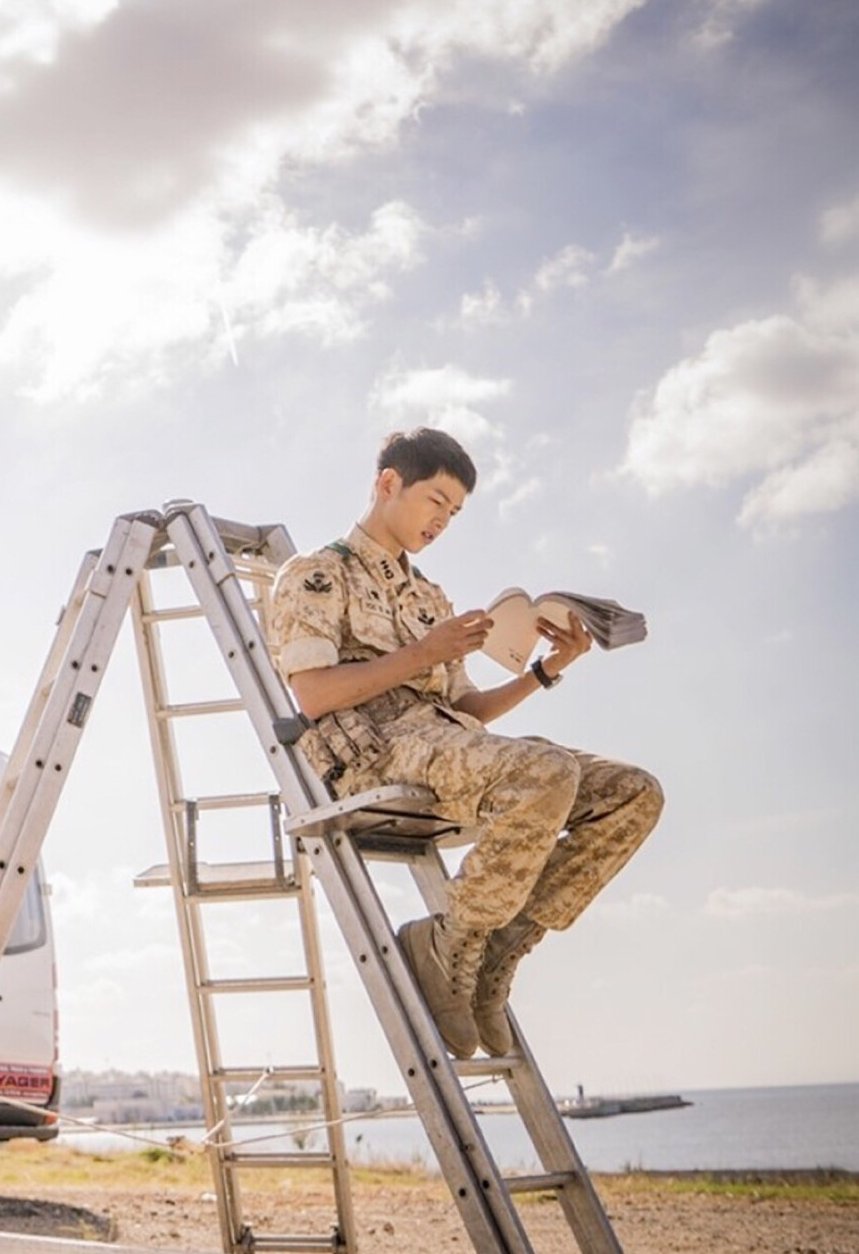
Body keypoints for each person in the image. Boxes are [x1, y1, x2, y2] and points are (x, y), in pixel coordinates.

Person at [269, 427, 663, 1060]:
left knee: (633, 793)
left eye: (455, 513)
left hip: (443, 741)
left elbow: (466, 710)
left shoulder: (429, 597)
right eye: (436, 501)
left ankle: (496, 949)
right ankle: (447, 945)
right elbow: (312, 694)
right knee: (545, 773)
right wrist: (423, 653)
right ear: (389, 483)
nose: (443, 521)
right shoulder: (317, 574)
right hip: (373, 749)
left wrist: (544, 670)